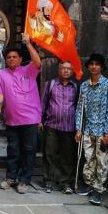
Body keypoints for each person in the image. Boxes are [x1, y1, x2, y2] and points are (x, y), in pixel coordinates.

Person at [0, 32, 42, 194]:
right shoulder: (1, 74)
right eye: (9, 57)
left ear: (21, 59)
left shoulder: (29, 70)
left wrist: (28, 44)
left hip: (30, 119)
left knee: (29, 150)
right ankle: (11, 177)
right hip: (11, 120)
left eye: (15, 57)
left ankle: (24, 180)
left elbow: (38, 61)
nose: (11, 59)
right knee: (13, 150)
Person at [75, 53, 108, 206]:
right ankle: (90, 185)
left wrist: (107, 132)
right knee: (89, 158)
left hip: (102, 129)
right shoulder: (84, 85)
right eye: (91, 64)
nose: (94, 67)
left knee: (102, 161)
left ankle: (99, 190)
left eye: (97, 64)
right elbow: (80, 108)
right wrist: (78, 128)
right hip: (88, 128)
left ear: (102, 67)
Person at [41, 61, 78, 194]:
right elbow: (44, 102)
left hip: (69, 127)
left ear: (72, 71)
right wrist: (41, 120)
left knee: (67, 156)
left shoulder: (75, 87)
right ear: (59, 70)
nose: (66, 71)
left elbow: (78, 107)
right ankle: (49, 180)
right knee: (50, 154)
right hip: (51, 125)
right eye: (63, 68)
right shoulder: (50, 85)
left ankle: (65, 182)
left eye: (69, 68)